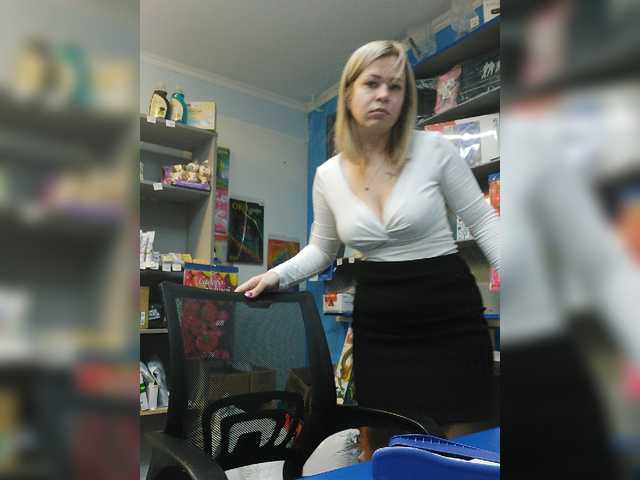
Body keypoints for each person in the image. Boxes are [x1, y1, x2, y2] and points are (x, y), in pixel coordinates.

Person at [235, 40, 500, 444]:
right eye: (372, 83)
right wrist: (276, 275)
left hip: (450, 314)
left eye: (395, 87)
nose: (383, 95)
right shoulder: (328, 176)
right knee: (383, 444)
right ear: (348, 93)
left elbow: (482, 220)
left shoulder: (435, 151)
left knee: (465, 445)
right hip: (380, 322)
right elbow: (323, 249)